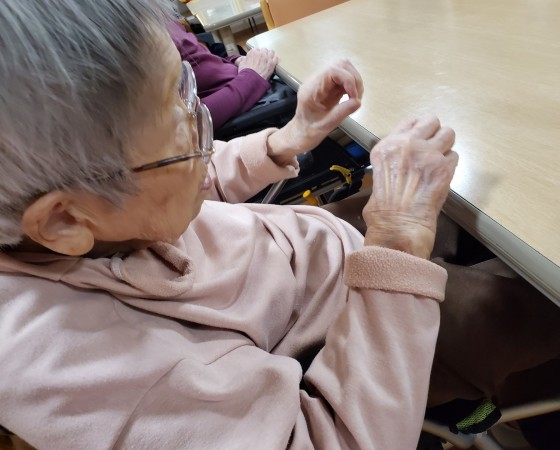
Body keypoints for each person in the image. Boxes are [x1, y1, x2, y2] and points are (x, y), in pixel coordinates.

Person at [0, 1, 458, 448]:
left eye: (185, 92)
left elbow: (186, 176)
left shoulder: (92, 210)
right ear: (65, 220)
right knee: (495, 297)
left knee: (453, 217)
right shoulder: (82, 369)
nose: (202, 137)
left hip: (310, 254)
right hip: (350, 349)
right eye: (179, 127)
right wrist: (397, 238)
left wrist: (287, 138)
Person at [168, 20, 279, 130]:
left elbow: (203, 61)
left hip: (247, 84)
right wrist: (251, 77)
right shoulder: (159, 40)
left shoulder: (165, 23)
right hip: (250, 108)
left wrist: (235, 61)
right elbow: (189, 122)